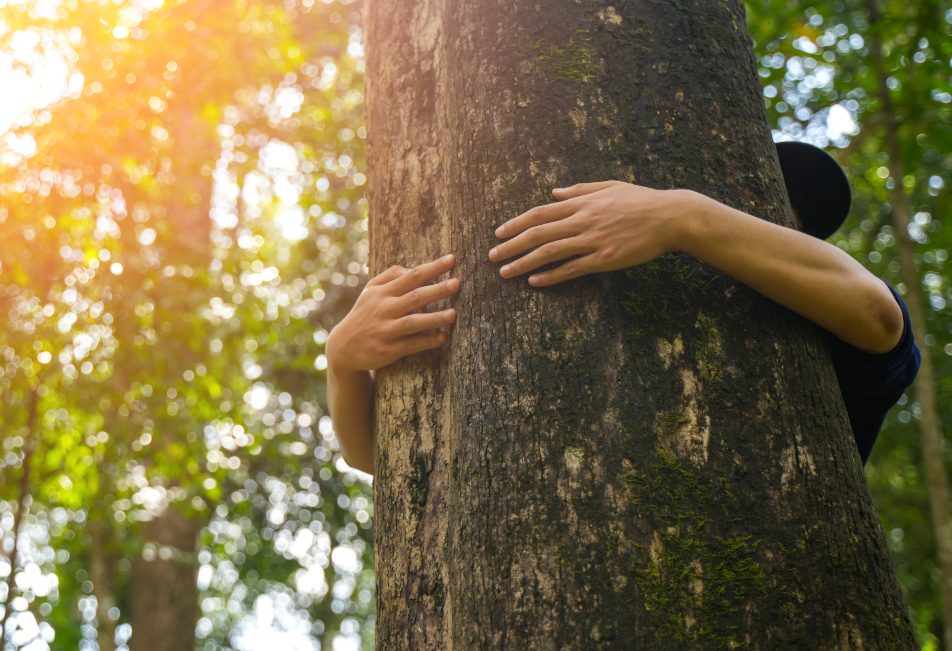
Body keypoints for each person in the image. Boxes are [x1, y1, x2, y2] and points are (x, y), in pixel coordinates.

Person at [326, 142, 921, 475]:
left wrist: (681, 216)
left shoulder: (817, 309)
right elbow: (377, 456)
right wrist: (343, 361)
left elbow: (880, 319)